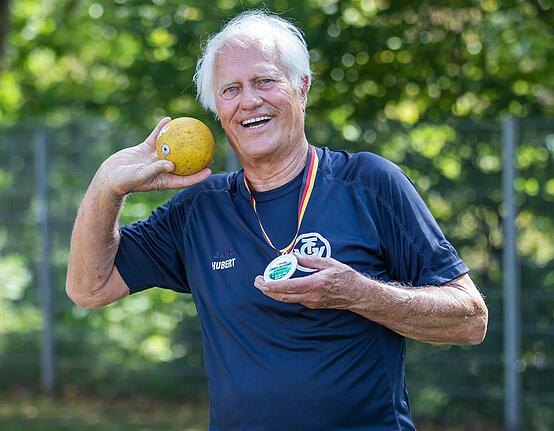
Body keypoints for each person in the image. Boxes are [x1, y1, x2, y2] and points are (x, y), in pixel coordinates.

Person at [66, 10, 488, 431]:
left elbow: (470, 319)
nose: (249, 100)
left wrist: (359, 294)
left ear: (301, 88)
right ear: (219, 111)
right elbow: (89, 287)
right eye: (230, 89)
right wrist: (107, 186)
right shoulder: (199, 211)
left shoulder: (370, 184)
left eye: (264, 81)